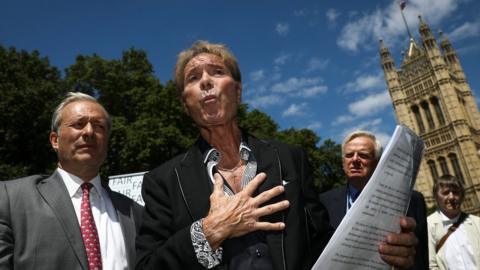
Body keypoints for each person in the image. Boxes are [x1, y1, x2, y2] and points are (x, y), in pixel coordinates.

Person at [135, 41, 418, 270]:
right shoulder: (163, 182)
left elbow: (321, 244)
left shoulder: (291, 158)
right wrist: (210, 231)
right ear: (185, 103)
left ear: (238, 91)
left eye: (217, 72)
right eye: (193, 78)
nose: (206, 81)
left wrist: (381, 250)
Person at [0, 92, 143, 270]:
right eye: (78, 124)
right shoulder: (9, 199)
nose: (89, 131)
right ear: (55, 140)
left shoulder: (135, 213)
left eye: (99, 126)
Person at [319, 130, 428, 270]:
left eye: (363, 155)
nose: (355, 160)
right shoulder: (323, 202)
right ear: (343, 162)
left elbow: (421, 258)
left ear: (378, 162)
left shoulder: (412, 200)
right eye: (349, 155)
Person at [427, 175, 480, 269]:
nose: (451, 197)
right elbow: (431, 265)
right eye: (445, 193)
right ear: (436, 196)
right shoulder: (428, 225)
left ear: (462, 196)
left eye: (455, 192)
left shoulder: (477, 222)